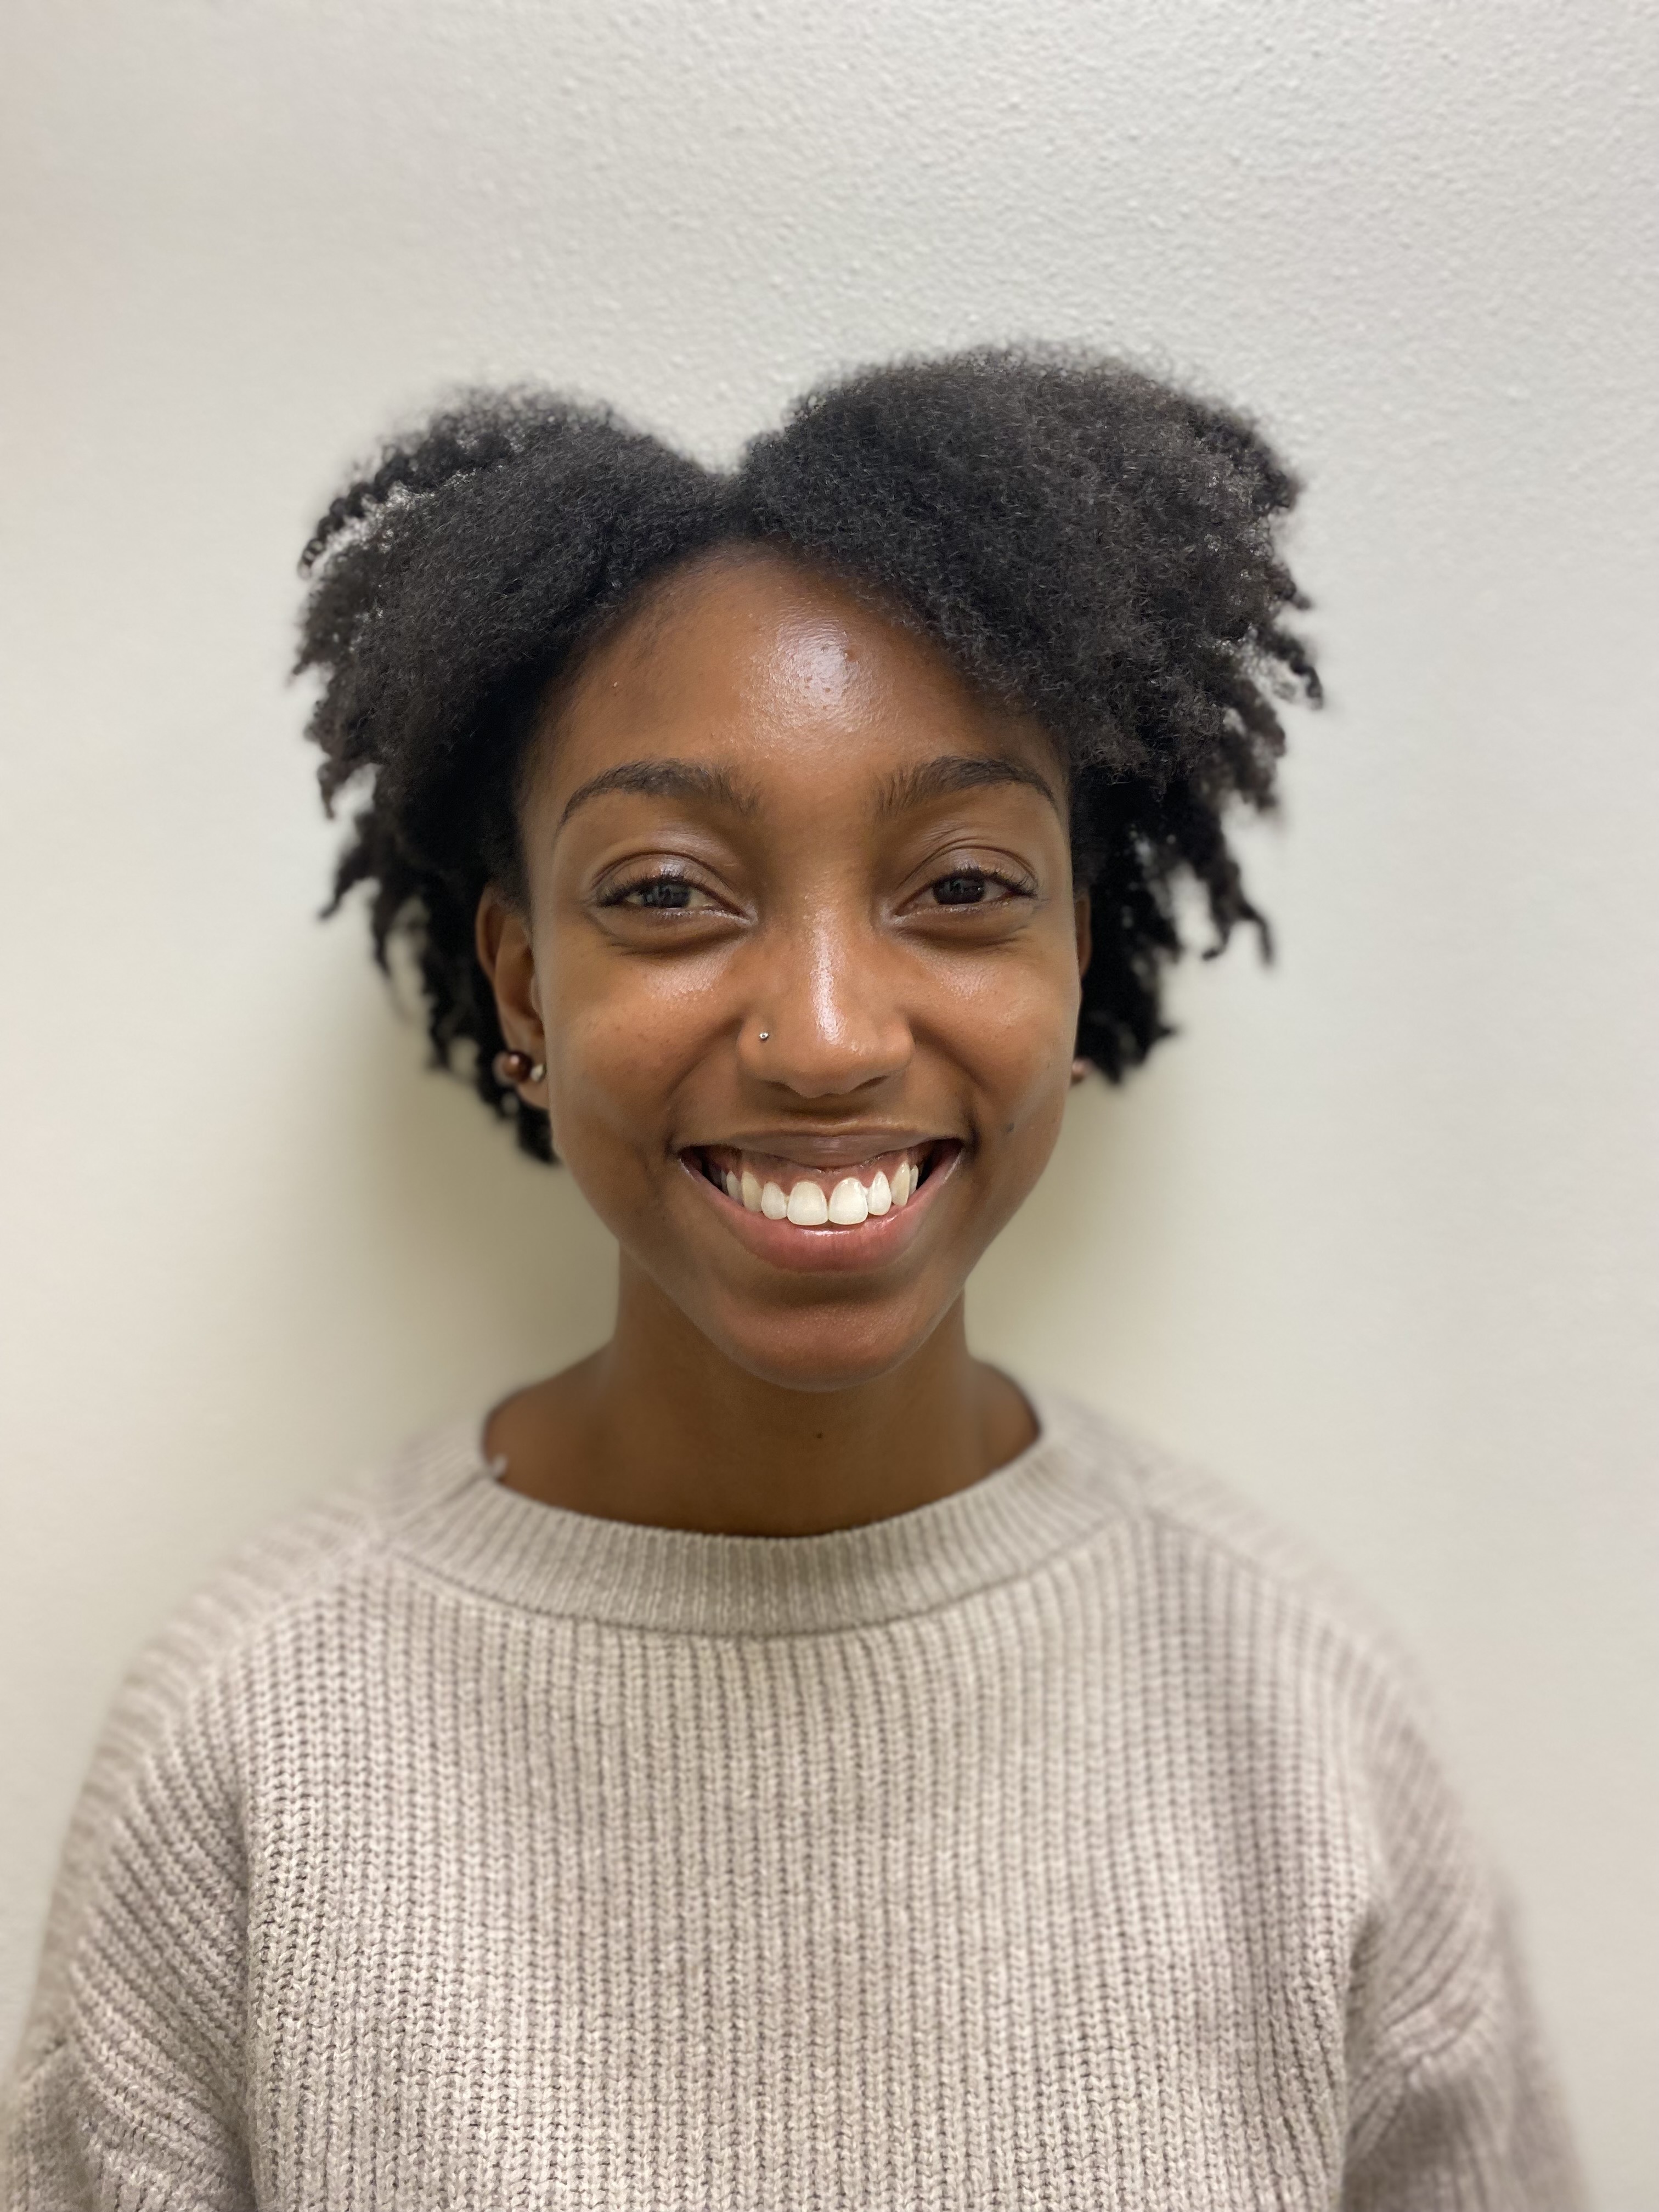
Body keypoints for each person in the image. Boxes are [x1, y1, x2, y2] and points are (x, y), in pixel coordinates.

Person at [1, 351, 1581, 2208]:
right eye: (670, 891)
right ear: (524, 988)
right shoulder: (254, 1749)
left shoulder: (1302, 1731)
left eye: (965, 885)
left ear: (1087, 945)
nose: (826, 1036)